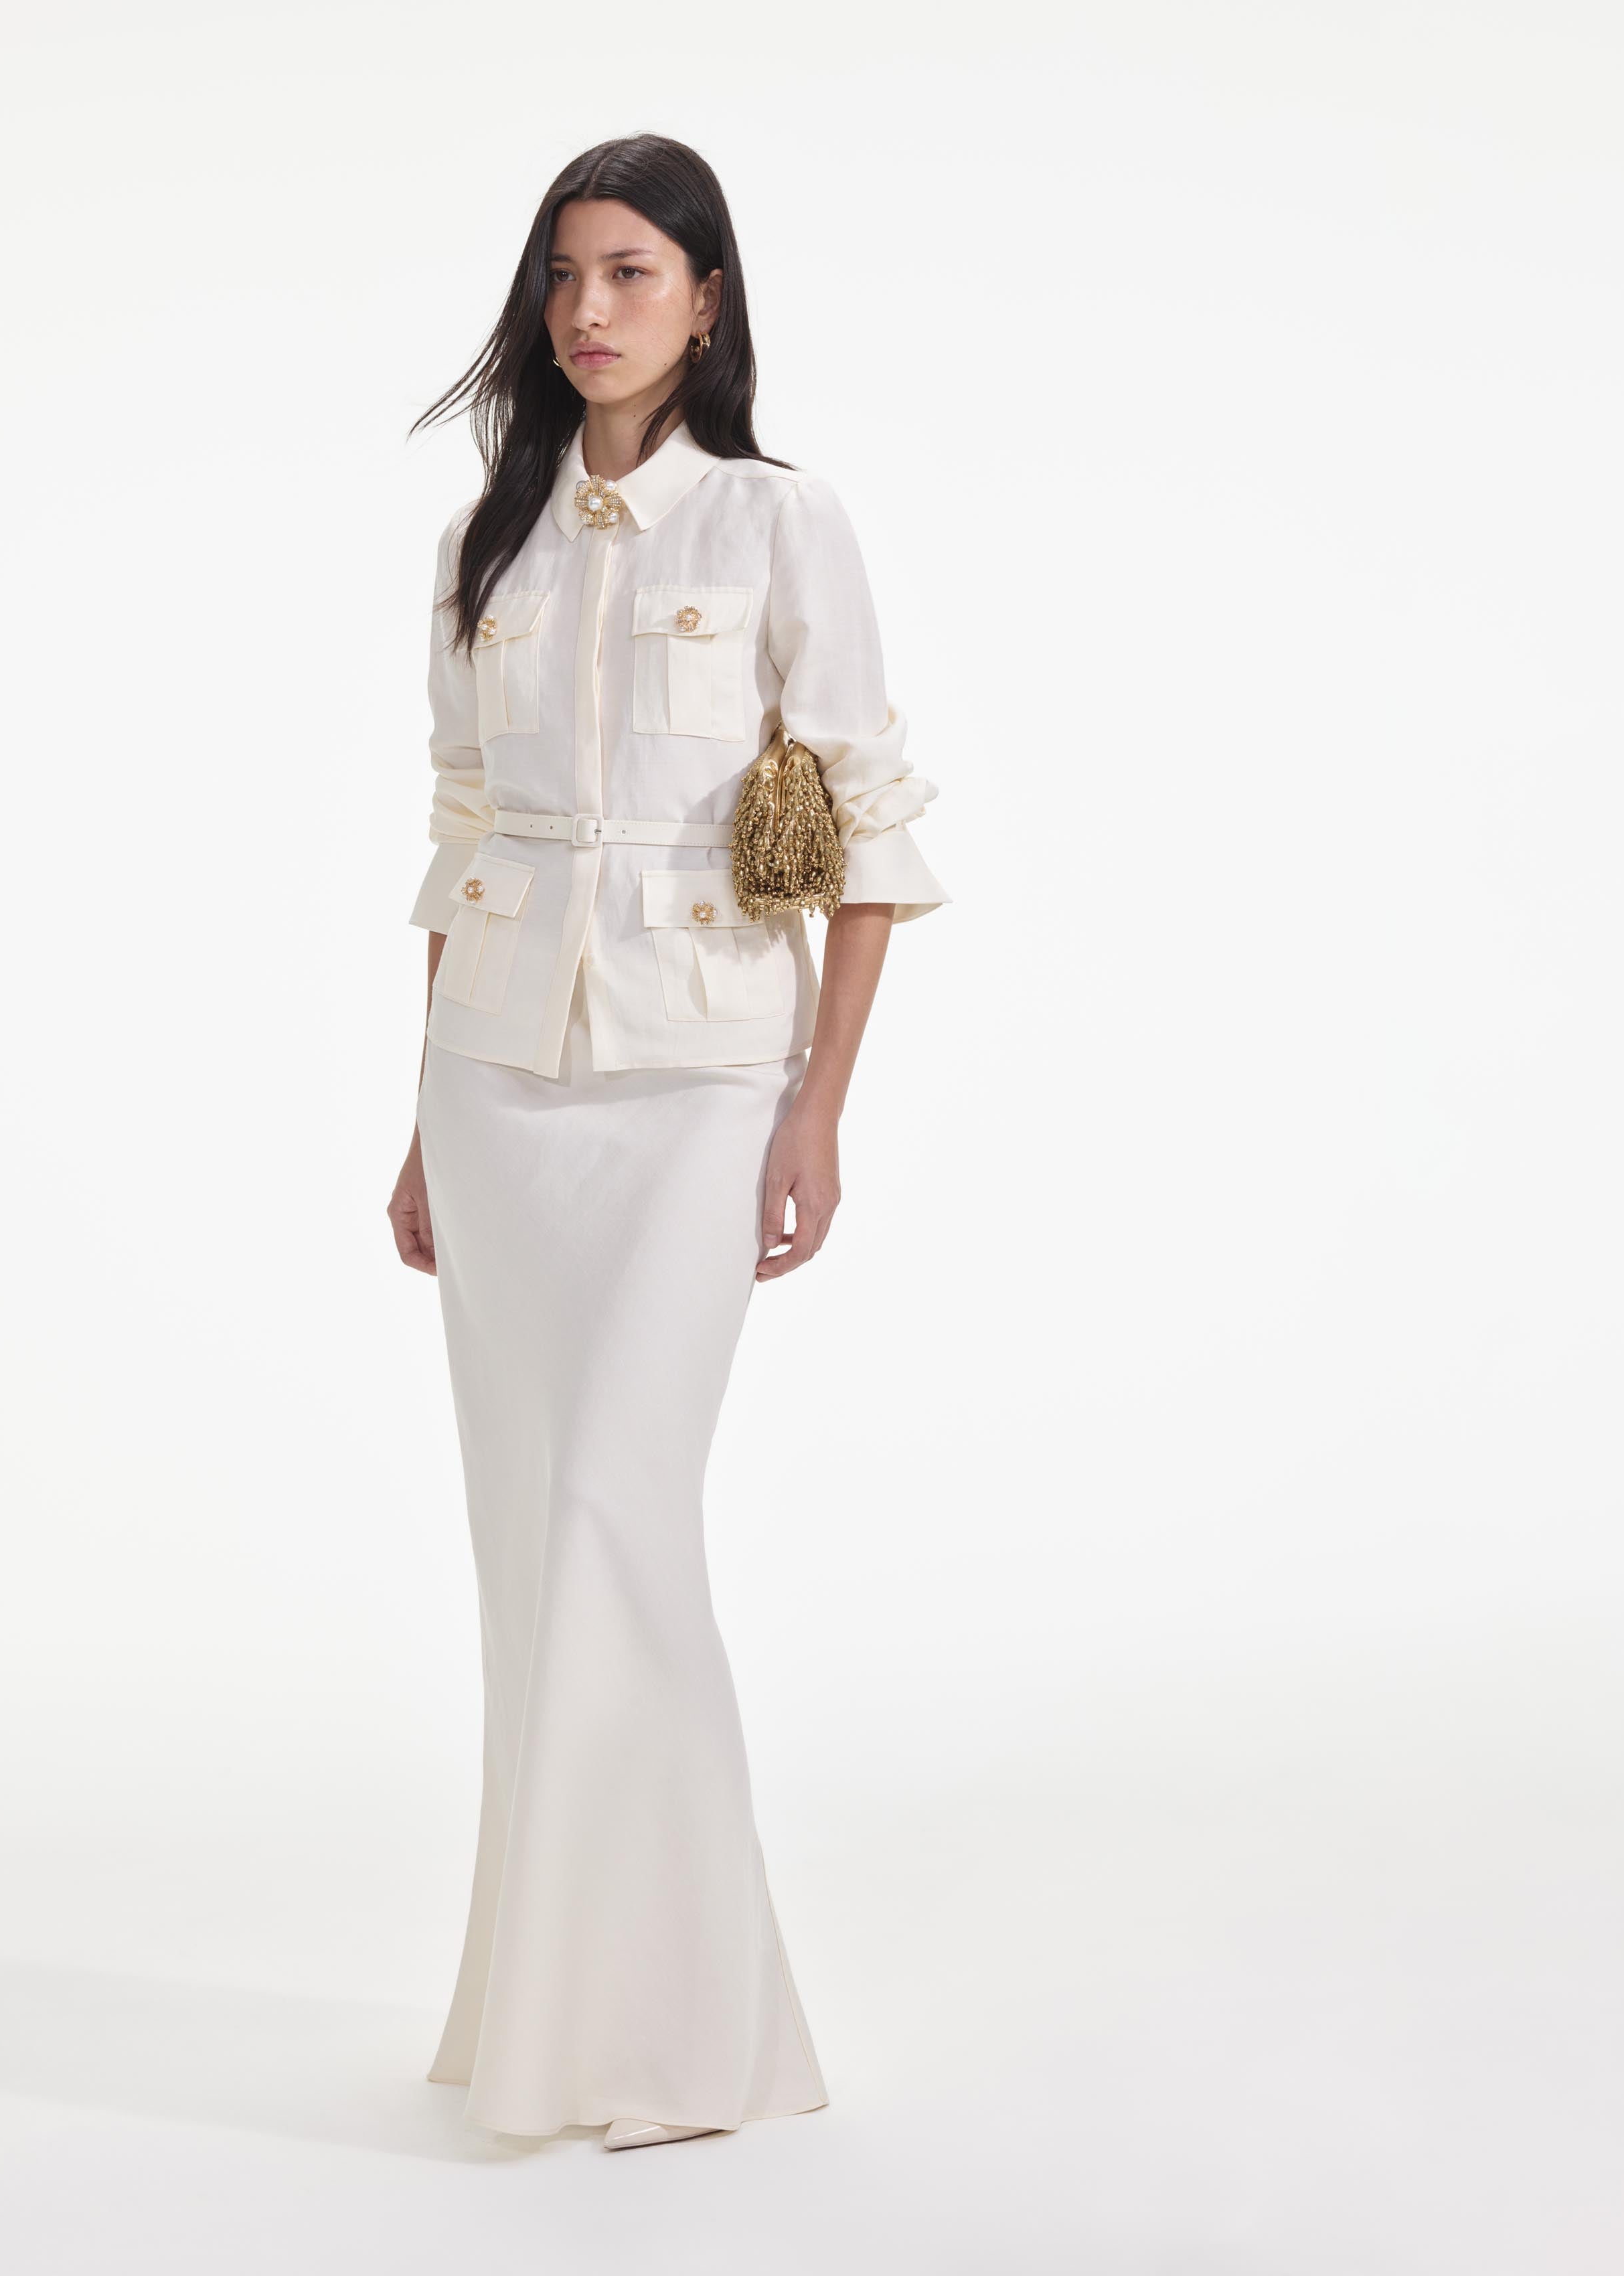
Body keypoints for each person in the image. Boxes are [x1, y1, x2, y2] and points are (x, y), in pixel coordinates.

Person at [386, 133, 949, 2151]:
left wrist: (820, 1106)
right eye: (563, 276)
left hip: (703, 1075)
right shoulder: (491, 538)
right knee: (532, 1539)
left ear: (707, 299)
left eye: (630, 271)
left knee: (618, 1506)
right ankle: (542, 2020)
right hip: (496, 1078)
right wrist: (419, 1123)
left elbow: (867, 829)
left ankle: (680, 2040)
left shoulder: (782, 525)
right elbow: (462, 829)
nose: (589, 309)